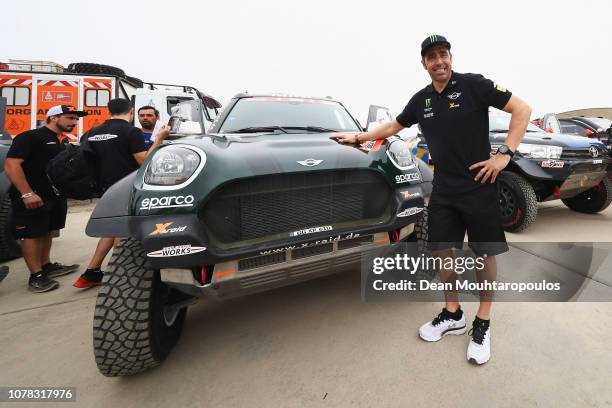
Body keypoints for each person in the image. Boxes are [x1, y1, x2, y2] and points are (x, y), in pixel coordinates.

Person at [333, 35, 532, 365]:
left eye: (443, 54)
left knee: (484, 254)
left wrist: (505, 154)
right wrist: (358, 137)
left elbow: (522, 109)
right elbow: (394, 124)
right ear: (423, 63)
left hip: (480, 185)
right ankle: (453, 313)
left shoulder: (474, 85)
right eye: (431, 57)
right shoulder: (421, 100)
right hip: (444, 190)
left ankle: (483, 320)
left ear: (451, 57)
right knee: (441, 250)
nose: (438, 61)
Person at [73, 98, 170, 288]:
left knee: (112, 227)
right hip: (125, 186)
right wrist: (158, 140)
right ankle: (123, 276)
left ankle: (91, 273)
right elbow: (144, 162)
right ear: (131, 112)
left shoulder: (92, 132)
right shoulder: (130, 131)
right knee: (122, 230)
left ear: (108, 110)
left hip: (103, 187)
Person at [4, 105, 85, 292]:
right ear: (54, 117)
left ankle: (46, 265)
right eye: (70, 118)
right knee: (31, 234)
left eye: (75, 119)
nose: (74, 122)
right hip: (31, 196)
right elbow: (11, 165)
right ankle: (36, 276)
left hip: (53, 196)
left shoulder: (59, 141)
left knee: (47, 230)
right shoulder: (29, 137)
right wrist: (27, 193)